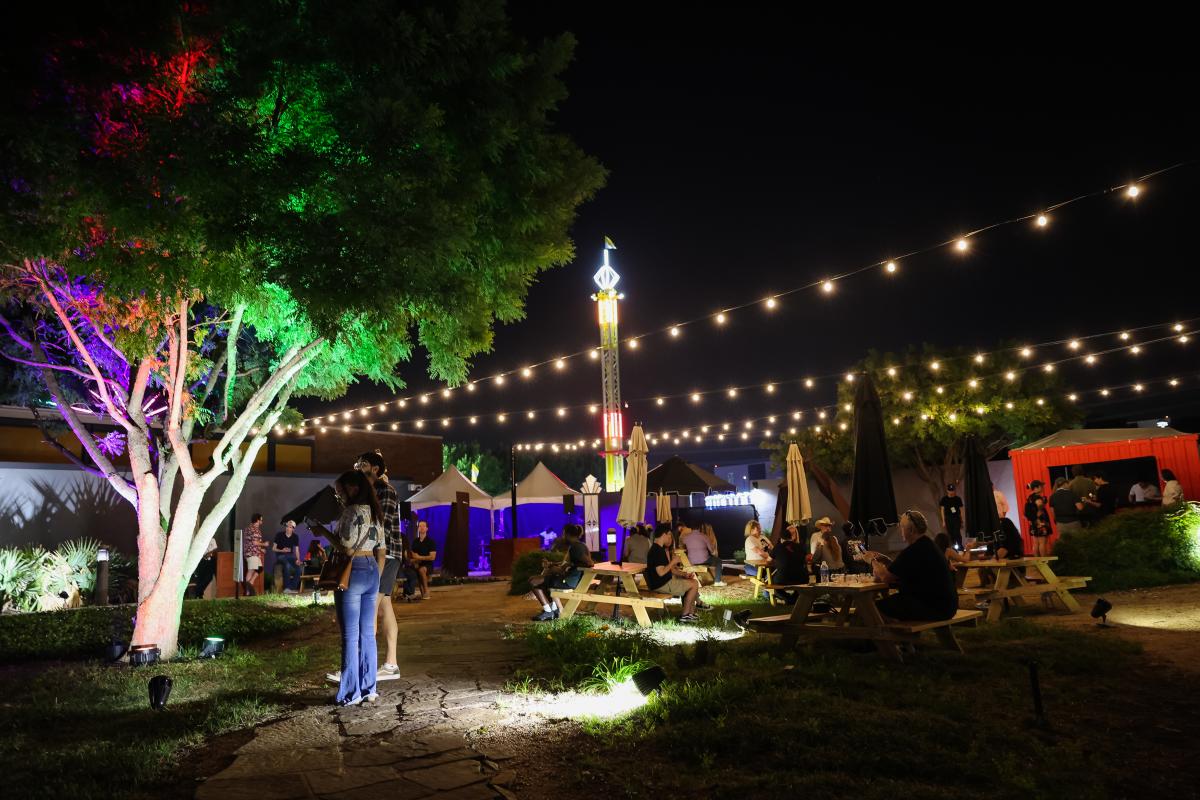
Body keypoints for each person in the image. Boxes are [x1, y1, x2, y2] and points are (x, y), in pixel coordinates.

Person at [329, 469, 384, 706]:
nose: (339, 496)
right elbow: (382, 549)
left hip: (353, 572)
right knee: (367, 634)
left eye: (341, 491)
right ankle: (369, 688)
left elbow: (347, 548)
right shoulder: (375, 511)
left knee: (350, 636)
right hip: (372, 569)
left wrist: (322, 532)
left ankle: (351, 693)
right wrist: (377, 578)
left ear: (352, 488)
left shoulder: (350, 512)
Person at [356, 451, 401, 681]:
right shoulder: (370, 491)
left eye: (362, 464)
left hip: (387, 554)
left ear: (374, 468)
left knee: (371, 608)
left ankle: (364, 667)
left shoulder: (385, 491)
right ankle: (390, 664)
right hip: (379, 554)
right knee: (384, 606)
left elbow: (377, 522)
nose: (358, 467)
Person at [866, 510, 957, 622]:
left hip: (931, 607)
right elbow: (904, 569)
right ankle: (898, 636)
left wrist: (872, 560)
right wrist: (887, 560)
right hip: (946, 606)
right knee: (890, 604)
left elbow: (885, 577)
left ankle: (892, 637)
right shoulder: (928, 545)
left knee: (871, 608)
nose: (900, 530)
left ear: (911, 530)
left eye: (902, 527)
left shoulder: (914, 550)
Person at [528, 524, 593, 621]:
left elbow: (589, 563)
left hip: (569, 581)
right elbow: (569, 563)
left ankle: (548, 611)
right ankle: (553, 610)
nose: (562, 536)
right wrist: (552, 564)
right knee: (539, 580)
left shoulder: (576, 548)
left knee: (533, 582)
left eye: (563, 534)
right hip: (571, 580)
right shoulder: (580, 545)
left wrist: (564, 568)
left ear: (567, 534)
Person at [644, 523, 701, 622]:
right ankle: (686, 614)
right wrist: (673, 562)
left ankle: (690, 613)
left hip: (663, 582)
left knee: (691, 581)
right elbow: (661, 572)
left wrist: (684, 574)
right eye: (669, 535)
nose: (670, 538)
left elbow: (669, 570)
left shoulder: (658, 549)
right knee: (694, 584)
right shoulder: (657, 551)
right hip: (662, 584)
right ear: (664, 535)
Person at [1024, 480, 1052, 558]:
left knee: (1036, 543)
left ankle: (1037, 562)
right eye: (1041, 486)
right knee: (1043, 542)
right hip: (1040, 521)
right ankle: (1044, 562)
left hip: (1034, 522)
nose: (1042, 487)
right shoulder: (1037, 497)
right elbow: (1039, 504)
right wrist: (1040, 510)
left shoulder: (1030, 497)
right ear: (1036, 488)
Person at [410, 520, 437, 599]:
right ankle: (411, 592)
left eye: (423, 526)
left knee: (421, 570)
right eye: (420, 526)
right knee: (413, 570)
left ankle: (426, 591)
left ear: (427, 528)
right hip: (417, 564)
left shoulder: (431, 542)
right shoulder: (415, 541)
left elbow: (432, 557)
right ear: (418, 528)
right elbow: (412, 555)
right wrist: (414, 560)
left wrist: (419, 557)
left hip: (428, 565)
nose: (421, 528)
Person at [273, 519, 302, 593]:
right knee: (287, 565)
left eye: (290, 527)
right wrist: (282, 550)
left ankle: (292, 588)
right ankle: (287, 588)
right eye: (287, 526)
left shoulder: (295, 537)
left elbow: (297, 550)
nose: (287, 528)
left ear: (293, 529)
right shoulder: (279, 535)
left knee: (299, 569)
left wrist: (298, 559)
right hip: (280, 556)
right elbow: (274, 548)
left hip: (290, 556)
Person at [243, 513, 266, 595]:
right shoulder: (253, 529)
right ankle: (247, 591)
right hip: (252, 553)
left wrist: (261, 549)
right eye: (261, 520)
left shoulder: (252, 529)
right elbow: (255, 542)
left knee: (259, 569)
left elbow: (254, 543)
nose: (262, 522)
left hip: (254, 553)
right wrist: (264, 544)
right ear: (257, 520)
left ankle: (250, 585)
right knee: (250, 571)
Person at [938, 483, 964, 548]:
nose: (951, 492)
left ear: (954, 490)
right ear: (947, 490)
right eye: (950, 490)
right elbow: (942, 510)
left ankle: (960, 547)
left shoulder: (958, 499)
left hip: (956, 518)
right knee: (950, 534)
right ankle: (953, 547)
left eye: (952, 490)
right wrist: (943, 521)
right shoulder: (944, 499)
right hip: (948, 518)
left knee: (957, 532)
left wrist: (962, 519)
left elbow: (961, 510)